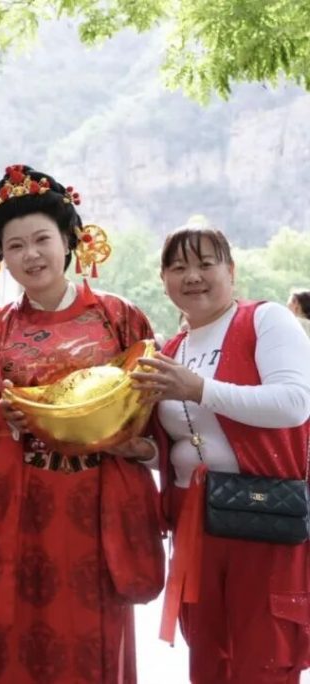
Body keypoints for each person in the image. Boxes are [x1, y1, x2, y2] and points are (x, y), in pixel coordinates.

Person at [0, 165, 164, 684]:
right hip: (18, 509)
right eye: (15, 245)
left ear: (69, 240)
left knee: (93, 638)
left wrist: (135, 445)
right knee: (16, 641)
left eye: (42, 239)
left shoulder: (119, 318)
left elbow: (156, 408)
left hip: (97, 506)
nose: (31, 255)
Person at [131, 226, 310, 684]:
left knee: (262, 656)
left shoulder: (265, 320)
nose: (192, 276)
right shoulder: (173, 349)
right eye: (178, 267)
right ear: (164, 281)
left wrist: (200, 389)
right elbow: (184, 444)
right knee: (208, 655)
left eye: (205, 264)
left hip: (261, 515)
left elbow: (294, 403)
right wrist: (141, 451)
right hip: (194, 519)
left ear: (231, 271)